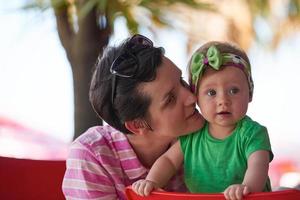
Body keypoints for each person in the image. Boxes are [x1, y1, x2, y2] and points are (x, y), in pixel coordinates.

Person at [61, 34, 205, 200]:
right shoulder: (92, 156)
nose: (192, 97)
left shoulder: (209, 136)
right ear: (137, 125)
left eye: (181, 80)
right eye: (170, 99)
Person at [132, 41, 274, 200]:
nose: (223, 100)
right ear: (196, 98)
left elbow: (258, 166)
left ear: (250, 93)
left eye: (234, 90)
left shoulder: (252, 133)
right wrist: (152, 181)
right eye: (211, 92)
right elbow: (169, 161)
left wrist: (246, 187)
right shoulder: (193, 135)